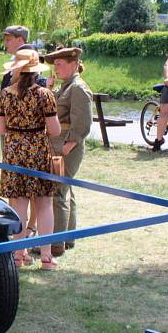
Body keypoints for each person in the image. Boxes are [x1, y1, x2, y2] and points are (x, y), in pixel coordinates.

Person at [0, 49, 61, 270]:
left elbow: (1, 129)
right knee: (44, 203)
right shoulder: (44, 94)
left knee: (18, 203)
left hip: (13, 151)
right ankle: (46, 257)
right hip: (38, 151)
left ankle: (18, 255)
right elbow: (55, 130)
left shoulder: (5, 94)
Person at [0, 25, 45, 238]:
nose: (5, 42)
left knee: (32, 187)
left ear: (19, 38)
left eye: (8, 38)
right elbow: (4, 99)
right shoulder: (11, 70)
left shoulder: (33, 67)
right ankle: (19, 228)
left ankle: (30, 227)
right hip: (11, 137)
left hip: (30, 141)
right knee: (16, 185)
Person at [44, 47, 93, 257]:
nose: (56, 68)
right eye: (55, 64)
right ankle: (67, 238)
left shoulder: (78, 88)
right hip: (60, 144)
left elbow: (82, 123)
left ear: (73, 64)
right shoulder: (67, 86)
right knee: (65, 190)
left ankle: (56, 244)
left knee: (58, 193)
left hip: (66, 146)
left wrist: (68, 146)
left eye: (60, 64)